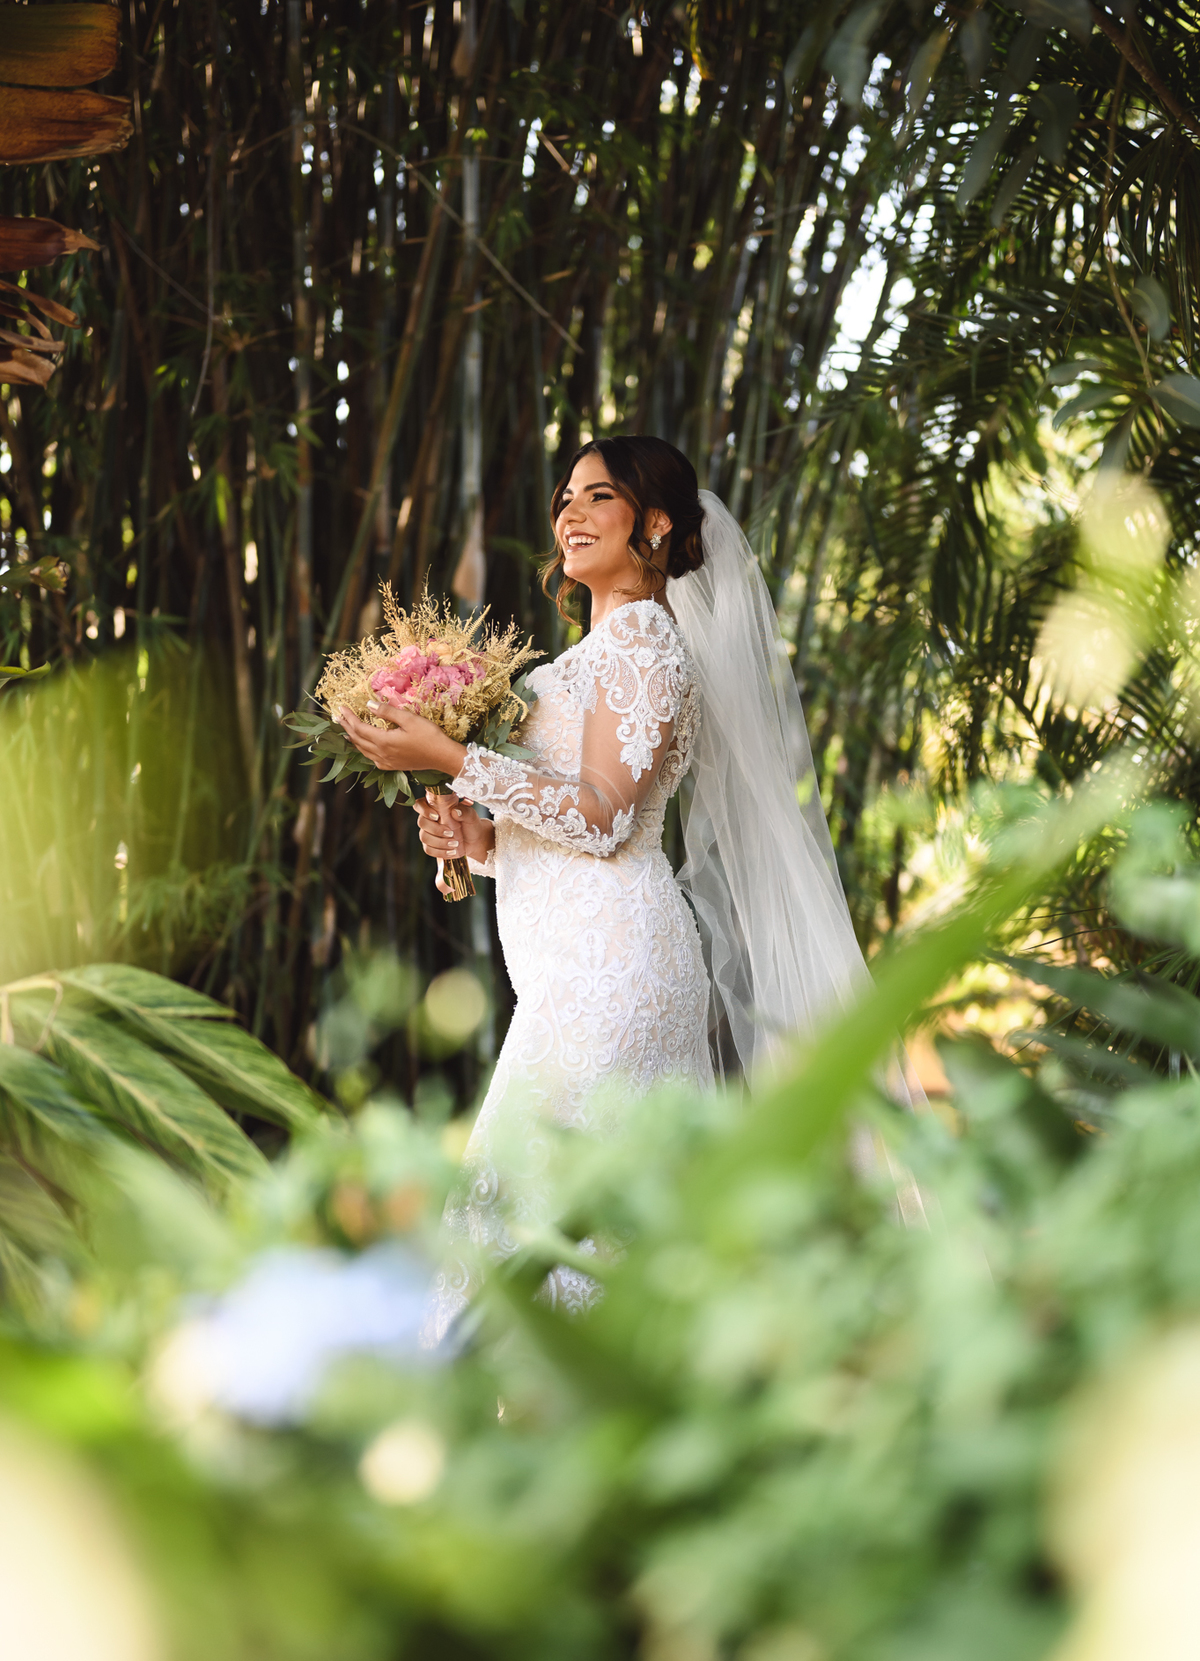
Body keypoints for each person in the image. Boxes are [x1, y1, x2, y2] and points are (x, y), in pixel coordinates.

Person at [338, 435, 885, 1330]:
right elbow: (554, 826)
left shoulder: (643, 640)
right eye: (564, 499)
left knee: (525, 1211)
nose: (570, 513)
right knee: (558, 1212)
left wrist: (454, 756)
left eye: (599, 496)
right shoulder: (575, 664)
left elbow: (603, 818)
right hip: (570, 968)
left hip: (618, 970)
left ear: (656, 524)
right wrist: (471, 834)